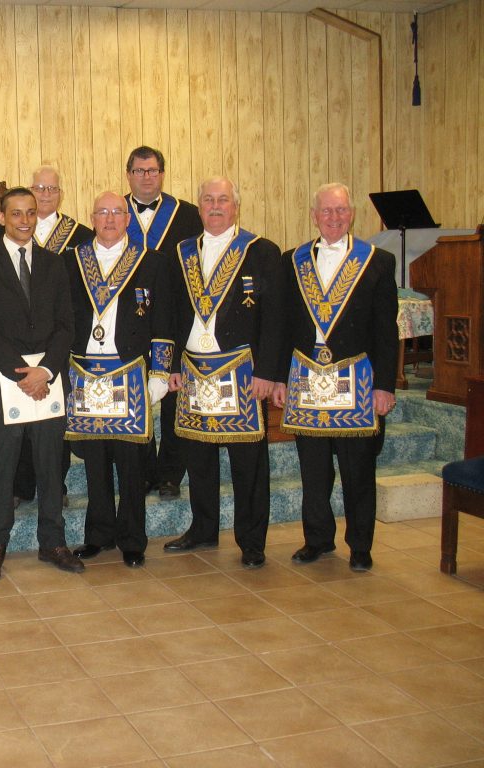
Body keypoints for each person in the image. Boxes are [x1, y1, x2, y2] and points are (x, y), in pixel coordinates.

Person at [272, 183, 398, 572]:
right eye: (326, 211)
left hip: (357, 382)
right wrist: (278, 379)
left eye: (340, 210)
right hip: (306, 380)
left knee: (358, 469)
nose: (333, 217)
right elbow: (282, 327)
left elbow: (385, 330)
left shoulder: (378, 260)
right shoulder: (292, 260)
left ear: (352, 214)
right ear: (314, 215)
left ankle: (360, 545)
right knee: (313, 469)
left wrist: (384, 386)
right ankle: (317, 539)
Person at [165, 177, 284, 569]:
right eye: (208, 200)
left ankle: (251, 541)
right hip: (195, 371)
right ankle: (203, 529)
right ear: (199, 207)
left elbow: (274, 320)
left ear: (236, 206)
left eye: (223, 200)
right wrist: (172, 364)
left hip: (242, 373)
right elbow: (174, 313)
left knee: (247, 462)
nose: (215, 206)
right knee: (198, 456)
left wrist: (268, 372)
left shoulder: (261, 251)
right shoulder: (181, 251)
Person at [0, 186, 81, 583]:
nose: (24, 221)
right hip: (5, 378)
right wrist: (23, 372)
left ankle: (53, 541)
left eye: (31, 213)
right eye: (16, 214)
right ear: (2, 218)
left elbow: (67, 324)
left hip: (48, 380)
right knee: (3, 464)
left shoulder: (54, 263)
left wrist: (46, 371)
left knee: (52, 465)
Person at [66, 192, 173, 568]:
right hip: (85, 374)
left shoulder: (152, 263)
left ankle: (132, 539)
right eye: (102, 212)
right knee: (95, 464)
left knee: (131, 465)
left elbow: (164, 323)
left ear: (127, 218)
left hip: (130, 376)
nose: (110, 218)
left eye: (117, 212)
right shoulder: (71, 261)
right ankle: (98, 535)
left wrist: (159, 373)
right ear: (91, 217)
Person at [0, 166, 94, 508]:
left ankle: (58, 486)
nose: (45, 193)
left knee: (55, 423)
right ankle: (22, 484)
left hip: (58, 344)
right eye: (39, 187)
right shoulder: (4, 245)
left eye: (51, 188)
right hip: (14, 357)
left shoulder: (81, 235)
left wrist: (53, 360)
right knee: (19, 425)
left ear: (60, 193)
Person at [124, 146, 203, 500]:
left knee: (173, 392)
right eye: (140, 171)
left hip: (175, 317)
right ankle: (141, 470)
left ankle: (171, 473)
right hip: (128, 321)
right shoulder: (114, 213)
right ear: (129, 175)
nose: (146, 177)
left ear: (162, 174)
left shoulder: (187, 215)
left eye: (153, 170)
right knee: (136, 393)